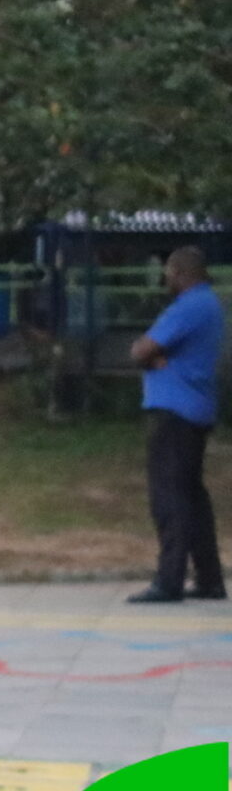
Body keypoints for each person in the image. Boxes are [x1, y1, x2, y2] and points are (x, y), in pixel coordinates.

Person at [126, 245, 224, 603]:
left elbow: (141, 350)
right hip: (196, 408)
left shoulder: (187, 308)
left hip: (174, 410)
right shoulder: (210, 305)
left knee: (170, 497)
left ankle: (169, 580)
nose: (165, 279)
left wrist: (151, 355)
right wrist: (155, 356)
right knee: (193, 497)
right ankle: (210, 578)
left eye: (168, 273)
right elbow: (152, 353)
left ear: (181, 273)